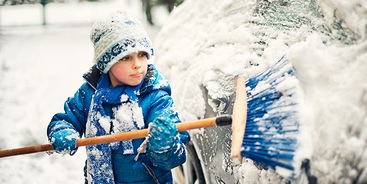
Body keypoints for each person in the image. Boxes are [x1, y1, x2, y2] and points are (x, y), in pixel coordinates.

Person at [46, 11, 188, 184]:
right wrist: (63, 132)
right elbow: (66, 120)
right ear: (107, 62)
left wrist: (165, 146)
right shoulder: (90, 94)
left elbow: (175, 158)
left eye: (142, 55)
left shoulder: (155, 96)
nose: (137, 64)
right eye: (126, 57)